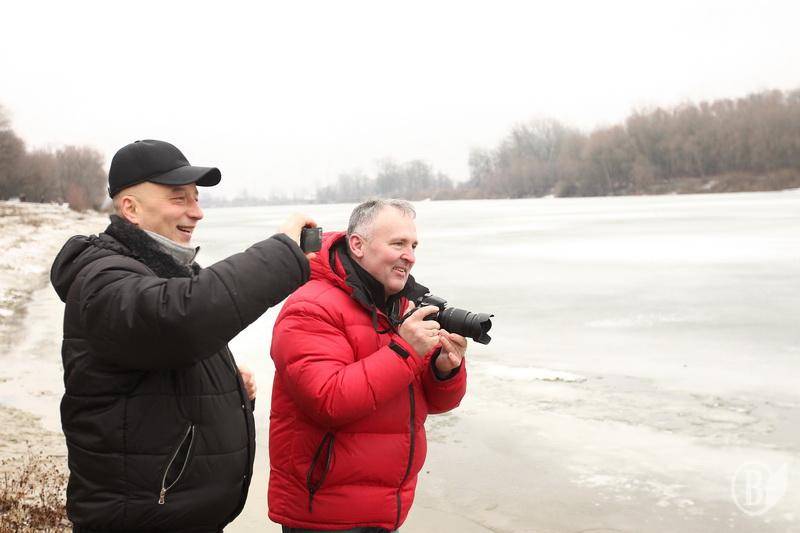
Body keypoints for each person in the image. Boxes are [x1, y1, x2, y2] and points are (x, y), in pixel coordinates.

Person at [50, 139, 315, 533]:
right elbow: (181, 320)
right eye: (179, 199)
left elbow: (164, 364)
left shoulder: (164, 271)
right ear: (131, 209)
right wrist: (281, 255)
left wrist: (226, 388)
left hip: (180, 516)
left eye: (196, 198)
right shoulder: (101, 280)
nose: (197, 212)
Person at [268, 199, 468, 532]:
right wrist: (406, 350)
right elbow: (328, 400)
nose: (410, 256)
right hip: (326, 512)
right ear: (358, 245)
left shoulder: (399, 306)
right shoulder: (310, 306)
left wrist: (444, 370)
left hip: (385, 507)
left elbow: (437, 403)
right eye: (398, 244)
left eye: (414, 245)